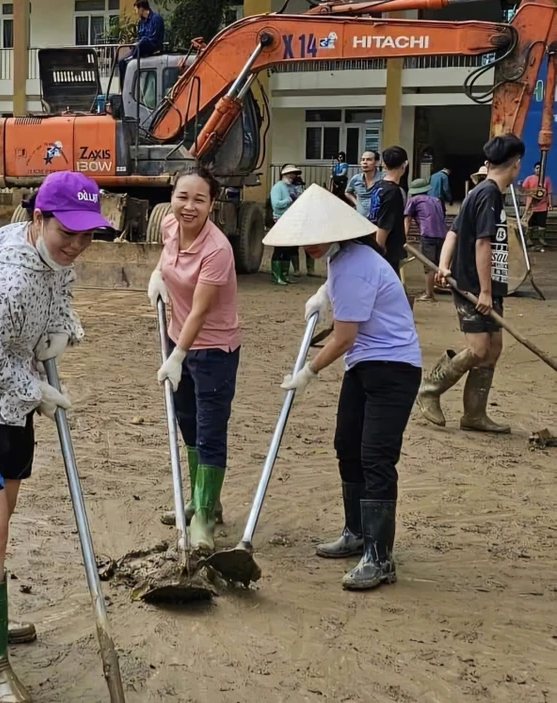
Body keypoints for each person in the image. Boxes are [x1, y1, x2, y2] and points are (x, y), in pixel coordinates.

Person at [0, 171, 110, 703]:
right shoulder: (3, 283)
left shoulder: (56, 262)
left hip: (12, 410)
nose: (76, 245)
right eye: (67, 233)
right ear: (39, 218)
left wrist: (66, 330)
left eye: (87, 235)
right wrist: (36, 387)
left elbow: (59, 301)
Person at [269, 185, 421, 591]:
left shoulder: (354, 263)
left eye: (319, 237)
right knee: (346, 445)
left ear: (337, 232)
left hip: (394, 369)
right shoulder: (345, 260)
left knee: (375, 456)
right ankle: (356, 532)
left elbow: (343, 337)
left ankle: (380, 557)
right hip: (365, 367)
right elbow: (344, 288)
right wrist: (323, 292)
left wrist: (308, 372)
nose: (312, 246)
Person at [147, 167, 240, 555]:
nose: (189, 206)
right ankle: (204, 501)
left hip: (213, 350)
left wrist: (179, 357)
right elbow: (167, 259)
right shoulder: (170, 226)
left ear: (211, 205)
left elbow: (201, 311)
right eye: (183, 196)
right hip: (176, 339)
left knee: (209, 429)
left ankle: (204, 520)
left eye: (199, 199)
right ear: (173, 196)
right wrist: (157, 275)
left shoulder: (217, 249)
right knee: (186, 424)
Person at [417, 133, 525, 434]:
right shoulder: (487, 194)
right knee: (478, 349)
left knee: (493, 348)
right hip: (475, 287)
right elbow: (482, 245)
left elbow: (453, 232)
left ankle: (474, 415)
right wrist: (485, 292)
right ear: (515, 165)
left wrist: (443, 263)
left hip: (489, 286)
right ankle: (430, 388)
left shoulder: (481, 192)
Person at [404, 177, 448, 302]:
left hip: (428, 235)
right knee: (440, 265)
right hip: (443, 235)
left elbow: (407, 219)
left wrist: (405, 236)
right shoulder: (437, 200)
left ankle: (429, 294)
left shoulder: (413, 200)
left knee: (428, 265)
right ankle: (440, 286)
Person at [368, 146, 409, 274]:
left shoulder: (378, 186)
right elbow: (384, 224)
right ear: (405, 164)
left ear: (384, 164)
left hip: (373, 241)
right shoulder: (393, 192)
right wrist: (379, 250)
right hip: (387, 251)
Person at [270, 164, 304, 285]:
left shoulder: (292, 188)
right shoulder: (278, 187)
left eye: (294, 174)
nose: (293, 176)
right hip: (280, 220)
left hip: (291, 220)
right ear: (284, 174)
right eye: (291, 173)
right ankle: (277, 275)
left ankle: (284, 275)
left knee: (288, 249)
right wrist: (289, 199)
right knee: (279, 248)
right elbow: (276, 204)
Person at [119, 0, 165, 85]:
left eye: (136, 9)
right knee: (121, 62)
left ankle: (132, 56)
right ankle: (124, 87)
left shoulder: (156, 18)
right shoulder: (141, 22)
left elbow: (154, 37)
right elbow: (139, 36)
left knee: (144, 41)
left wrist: (140, 42)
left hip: (153, 45)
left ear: (141, 9)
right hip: (141, 46)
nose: (135, 12)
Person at [522, 161, 551, 247]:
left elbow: (549, 192)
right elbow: (523, 190)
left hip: (543, 206)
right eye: (537, 168)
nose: (538, 170)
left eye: (540, 168)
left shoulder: (547, 179)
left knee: (542, 224)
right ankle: (528, 240)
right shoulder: (529, 179)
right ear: (534, 169)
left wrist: (550, 204)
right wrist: (533, 193)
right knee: (529, 224)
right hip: (531, 206)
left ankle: (541, 240)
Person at [345, 151, 383, 217]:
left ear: (376, 162)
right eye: (363, 160)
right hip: (361, 219)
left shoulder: (383, 178)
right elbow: (347, 192)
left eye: (369, 159)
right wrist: (356, 203)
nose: (365, 162)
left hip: (379, 219)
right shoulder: (356, 179)